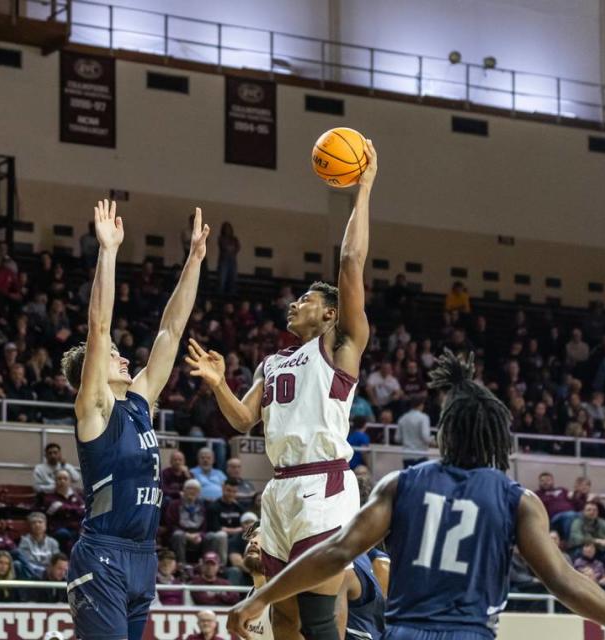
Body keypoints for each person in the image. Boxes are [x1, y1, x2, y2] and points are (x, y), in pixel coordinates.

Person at [226, 350, 605, 640]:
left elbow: (335, 552)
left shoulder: (400, 485)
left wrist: (260, 597)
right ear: (495, 438)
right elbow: (564, 581)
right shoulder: (517, 499)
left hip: (405, 632)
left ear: (444, 431)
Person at [189, 141, 378, 640]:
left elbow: (352, 261)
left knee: (318, 616)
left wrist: (363, 191)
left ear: (331, 314)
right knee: (284, 618)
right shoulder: (272, 362)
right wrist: (216, 385)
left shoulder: (340, 347)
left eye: (306, 300)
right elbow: (242, 420)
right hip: (279, 489)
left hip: (325, 485)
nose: (294, 305)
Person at [59, 199, 209, 640]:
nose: (123, 357)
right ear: (90, 371)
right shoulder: (95, 408)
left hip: (143, 555)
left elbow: (170, 331)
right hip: (103, 555)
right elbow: (98, 327)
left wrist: (194, 262)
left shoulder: (139, 401)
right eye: (111, 356)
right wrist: (108, 253)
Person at [19, 512, 61, 577]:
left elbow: (56, 562)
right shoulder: (25, 542)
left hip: (49, 575)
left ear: (45, 525)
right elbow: (26, 563)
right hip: (32, 574)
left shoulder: (53, 542)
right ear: (30, 526)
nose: (37, 525)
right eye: (34, 522)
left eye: (40, 522)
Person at [398, 395, 431, 467]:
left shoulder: (403, 418)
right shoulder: (423, 418)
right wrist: (433, 441)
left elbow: (398, 438)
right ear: (421, 405)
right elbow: (425, 437)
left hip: (407, 456)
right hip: (420, 455)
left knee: (409, 478)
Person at [217, 222, 241, 295]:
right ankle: (220, 295)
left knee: (233, 279)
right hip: (223, 261)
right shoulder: (221, 238)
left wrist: (230, 248)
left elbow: (238, 247)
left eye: (228, 228)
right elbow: (224, 247)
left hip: (232, 261)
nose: (227, 230)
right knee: (222, 279)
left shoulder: (234, 239)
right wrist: (231, 248)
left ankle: (232, 295)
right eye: (226, 228)